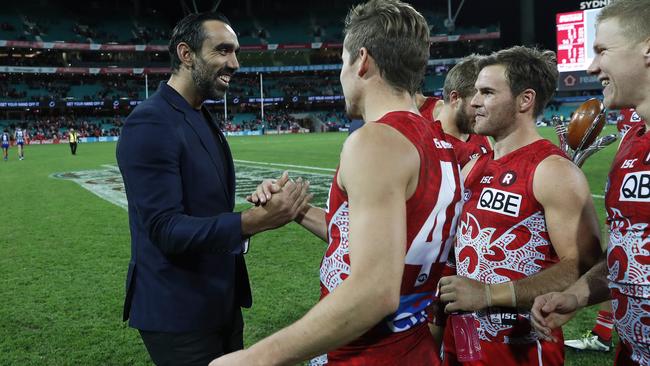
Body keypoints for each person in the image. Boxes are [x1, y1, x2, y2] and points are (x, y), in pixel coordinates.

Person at [210, 1, 462, 364]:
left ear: (362, 60)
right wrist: (297, 210)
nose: (341, 74)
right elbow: (390, 242)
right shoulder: (438, 142)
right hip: (412, 345)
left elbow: (374, 292)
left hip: (370, 353)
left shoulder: (376, 141)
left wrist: (254, 358)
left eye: (342, 61)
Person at [116, 12, 311, 366]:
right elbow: (164, 228)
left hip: (219, 300)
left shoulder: (199, 114)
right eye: (223, 51)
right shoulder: (150, 122)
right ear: (186, 54)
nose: (234, 63)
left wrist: (259, 195)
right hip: (177, 310)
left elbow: (204, 201)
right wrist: (252, 221)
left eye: (235, 52)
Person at [437, 46, 602, 365]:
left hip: (520, 351)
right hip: (461, 342)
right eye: (475, 93)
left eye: (486, 93)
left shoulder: (551, 170)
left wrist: (488, 295)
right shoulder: (475, 166)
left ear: (525, 100)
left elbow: (583, 263)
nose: (474, 102)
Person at [531, 1, 650, 364]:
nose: (591, 66)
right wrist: (579, 294)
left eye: (602, 51)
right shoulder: (632, 140)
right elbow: (629, 255)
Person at [426, 54, 492, 168]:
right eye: (479, 104)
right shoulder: (427, 147)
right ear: (455, 98)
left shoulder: (478, 132)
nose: (485, 112)